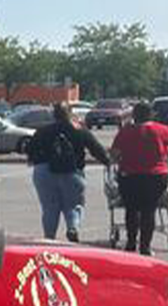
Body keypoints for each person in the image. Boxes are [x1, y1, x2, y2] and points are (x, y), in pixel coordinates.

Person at [26, 102, 110, 242]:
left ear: (54, 114)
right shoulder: (80, 130)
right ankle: (73, 228)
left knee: (49, 207)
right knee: (73, 206)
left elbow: (29, 150)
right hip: (72, 171)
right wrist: (107, 162)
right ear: (70, 114)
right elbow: (97, 150)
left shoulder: (43, 130)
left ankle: (49, 238)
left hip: (44, 172)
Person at [111, 102, 168, 255]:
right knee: (149, 209)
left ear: (134, 115)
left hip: (130, 177)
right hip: (156, 177)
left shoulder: (125, 132)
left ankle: (131, 243)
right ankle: (145, 246)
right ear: (151, 114)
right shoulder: (163, 130)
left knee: (131, 209)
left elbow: (114, 155)